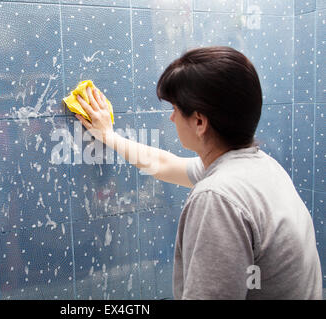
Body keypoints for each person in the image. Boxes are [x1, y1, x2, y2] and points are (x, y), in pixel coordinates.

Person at [74, 46, 322, 300]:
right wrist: (108, 136)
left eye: (175, 109)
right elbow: (163, 165)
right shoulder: (261, 167)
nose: (171, 119)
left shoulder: (217, 198)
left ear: (200, 122)